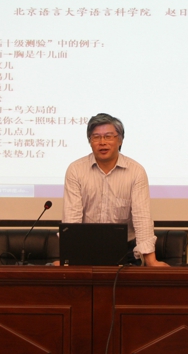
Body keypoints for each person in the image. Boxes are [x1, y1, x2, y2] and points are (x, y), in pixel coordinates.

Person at [63, 113, 168, 266]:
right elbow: (72, 219)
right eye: (96, 137)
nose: (102, 142)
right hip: (85, 248)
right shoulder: (76, 170)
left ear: (120, 140)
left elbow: (142, 218)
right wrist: (68, 258)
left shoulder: (136, 171)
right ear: (90, 141)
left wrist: (151, 261)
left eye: (108, 136)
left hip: (125, 250)